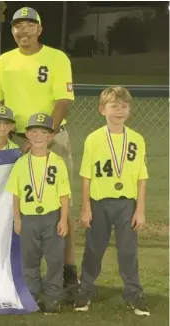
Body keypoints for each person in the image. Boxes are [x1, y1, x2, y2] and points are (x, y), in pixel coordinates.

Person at [0, 7, 77, 287]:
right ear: (12, 30)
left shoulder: (56, 57)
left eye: (29, 25)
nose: (23, 31)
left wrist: (41, 136)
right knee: (12, 205)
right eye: (17, 26)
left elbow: (62, 100)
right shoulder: (3, 61)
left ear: (39, 29)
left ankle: (68, 270)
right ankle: (15, 269)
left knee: (59, 205)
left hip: (52, 138)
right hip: (15, 140)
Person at [74, 87, 149, 316]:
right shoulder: (94, 139)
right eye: (114, 106)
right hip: (99, 202)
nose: (119, 110)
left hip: (127, 203)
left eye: (124, 106)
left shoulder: (136, 139)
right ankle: (85, 289)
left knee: (128, 250)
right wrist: (85, 208)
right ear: (102, 109)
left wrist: (140, 210)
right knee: (94, 248)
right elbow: (86, 176)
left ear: (130, 110)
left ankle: (134, 294)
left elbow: (141, 177)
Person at [6, 113, 70, 314]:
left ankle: (52, 297)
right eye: (34, 131)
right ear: (27, 135)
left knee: (54, 259)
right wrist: (17, 218)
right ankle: (32, 294)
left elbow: (64, 194)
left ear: (51, 136)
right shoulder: (21, 163)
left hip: (52, 217)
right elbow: (15, 194)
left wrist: (64, 219)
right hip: (29, 218)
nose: (38, 136)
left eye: (43, 132)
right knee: (29, 259)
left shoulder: (58, 162)